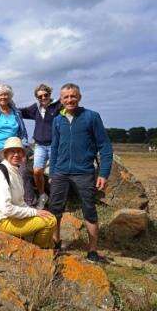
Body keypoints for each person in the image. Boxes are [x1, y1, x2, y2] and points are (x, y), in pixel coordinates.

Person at [49, 83, 113, 262]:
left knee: (89, 210)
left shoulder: (91, 117)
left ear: (79, 97)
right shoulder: (57, 120)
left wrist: (104, 173)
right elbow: (54, 148)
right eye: (65, 97)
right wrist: (53, 173)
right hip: (60, 172)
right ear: (60, 100)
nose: (69, 100)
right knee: (55, 210)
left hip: (84, 172)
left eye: (73, 96)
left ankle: (92, 250)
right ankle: (56, 243)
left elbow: (105, 146)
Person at [0, 137, 56, 249]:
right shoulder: (0, 173)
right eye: (12, 151)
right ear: (5, 154)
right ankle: (39, 254)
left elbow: (20, 203)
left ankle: (45, 250)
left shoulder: (15, 172)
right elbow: (6, 209)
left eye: (19, 151)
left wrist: (36, 211)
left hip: (9, 217)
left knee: (47, 216)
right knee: (50, 221)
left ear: (22, 155)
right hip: (0, 219)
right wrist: (34, 213)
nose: (16, 154)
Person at [20, 84, 61, 209]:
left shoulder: (58, 106)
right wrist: (5, 105)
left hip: (55, 145)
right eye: (40, 96)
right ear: (37, 98)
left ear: (49, 94)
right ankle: (43, 195)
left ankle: (57, 201)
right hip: (40, 145)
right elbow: (21, 112)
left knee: (55, 175)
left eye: (46, 95)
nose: (43, 98)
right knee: (37, 171)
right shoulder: (35, 108)